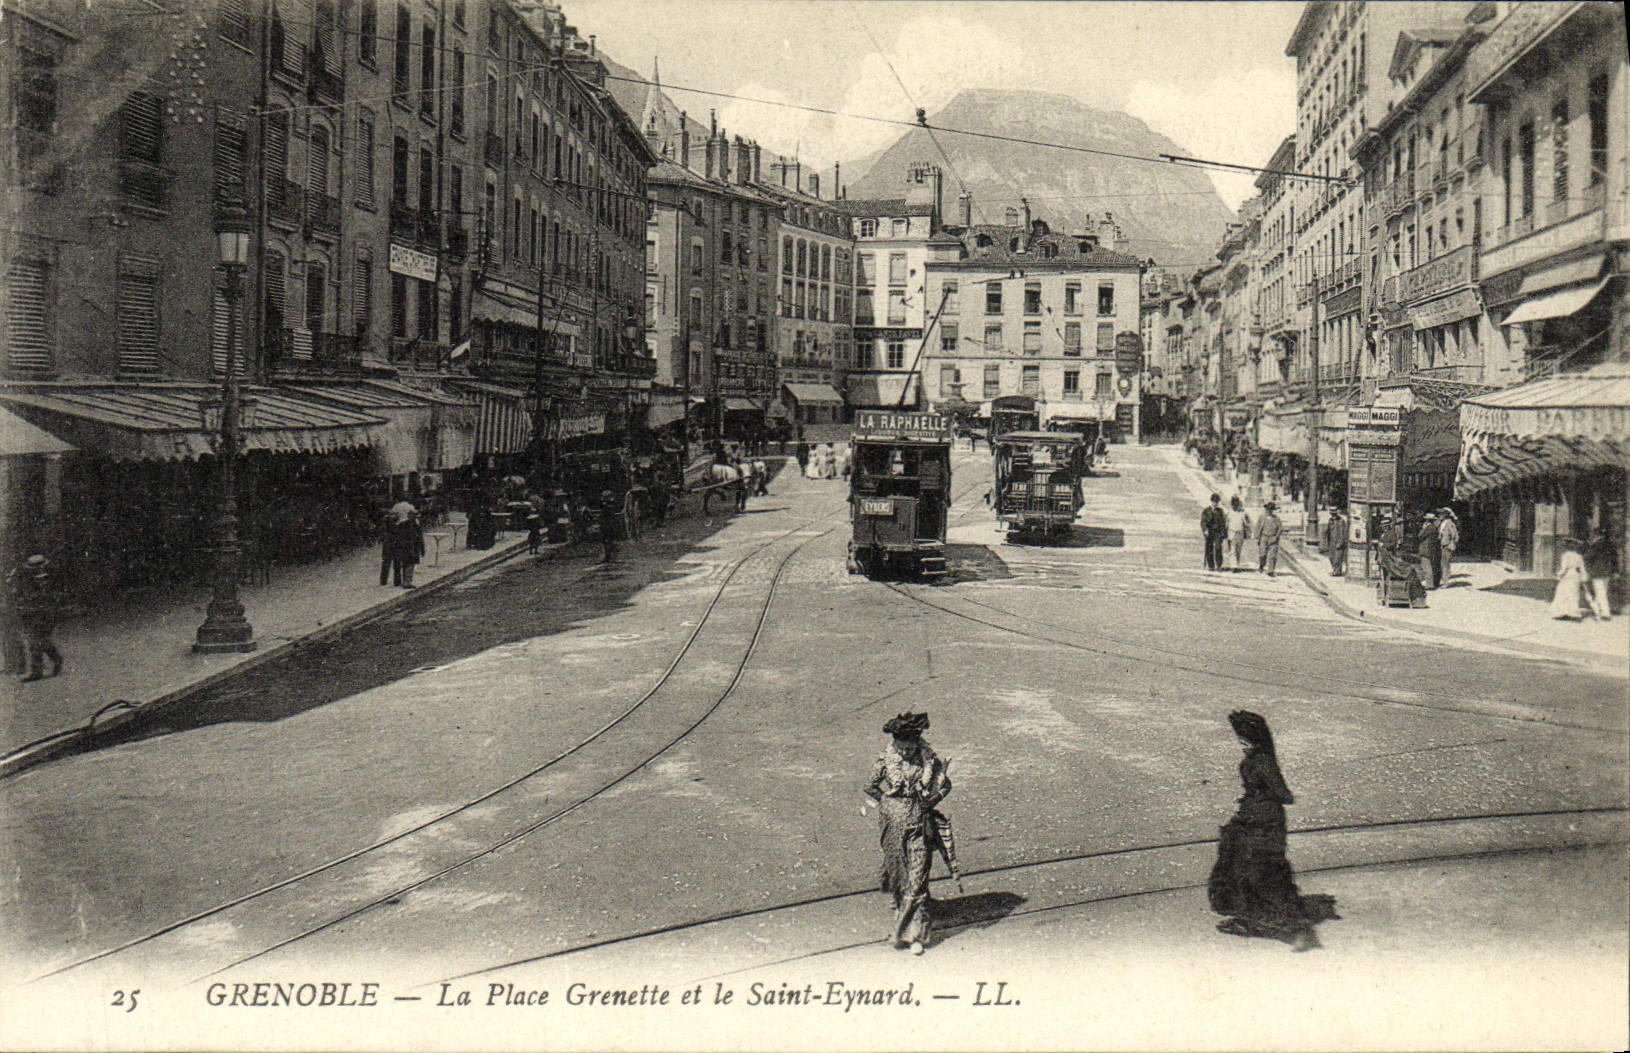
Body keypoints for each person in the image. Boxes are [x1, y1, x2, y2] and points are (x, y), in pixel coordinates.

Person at [1208, 710, 1319, 952]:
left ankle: (1289, 927)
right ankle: (1254, 918)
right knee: (1247, 868)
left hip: (1263, 823)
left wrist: (1258, 797)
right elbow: (1282, 795)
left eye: (1245, 739)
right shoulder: (1261, 759)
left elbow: (1283, 794)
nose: (1241, 744)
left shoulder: (1261, 762)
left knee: (1259, 870)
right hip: (1255, 819)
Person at [864, 711, 951, 956]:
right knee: (899, 876)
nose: (905, 753)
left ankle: (912, 934)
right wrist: (887, 803)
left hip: (920, 825)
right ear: (895, 745)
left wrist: (931, 800)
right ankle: (903, 920)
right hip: (893, 827)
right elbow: (869, 786)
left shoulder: (928, 760)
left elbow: (946, 785)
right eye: (901, 749)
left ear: (917, 743)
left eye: (910, 749)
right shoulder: (885, 761)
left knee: (918, 879)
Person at [10, 554, 64, 682]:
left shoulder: (46, 580)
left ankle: (37, 670)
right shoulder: (33, 580)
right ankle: (55, 659)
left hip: (44, 612)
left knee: (36, 640)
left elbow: (44, 597)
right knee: (40, 640)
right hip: (37, 612)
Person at [1550, 537, 1589, 620]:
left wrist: (1559, 574)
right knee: (1573, 593)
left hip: (1568, 575)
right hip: (1576, 575)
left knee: (1563, 592)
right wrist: (1584, 577)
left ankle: (1562, 612)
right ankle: (1573, 612)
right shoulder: (1579, 556)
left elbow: (1564, 568)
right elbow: (1582, 568)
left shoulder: (1565, 556)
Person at [1584, 525, 1618, 621]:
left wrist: (1587, 568)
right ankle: (1597, 611)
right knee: (1603, 591)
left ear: (1596, 535)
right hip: (1607, 572)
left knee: (1600, 592)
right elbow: (1615, 559)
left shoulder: (1595, 545)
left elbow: (1588, 557)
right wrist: (1615, 571)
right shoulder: (1610, 545)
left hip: (1597, 572)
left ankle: (1605, 612)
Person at [1201, 493, 1227, 572]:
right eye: (1214, 501)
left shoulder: (1220, 511)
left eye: (1216, 502)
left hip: (1217, 532)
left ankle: (1219, 565)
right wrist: (1205, 530)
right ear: (1211, 501)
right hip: (1209, 532)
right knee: (1209, 549)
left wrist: (1223, 533)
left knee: (1218, 548)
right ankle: (1211, 565)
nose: (1215, 503)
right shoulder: (1206, 511)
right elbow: (1203, 522)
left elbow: (1223, 522)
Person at [1256, 501, 1283, 576]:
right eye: (1268, 509)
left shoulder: (1276, 518)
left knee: (1273, 555)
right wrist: (1258, 538)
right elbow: (1258, 527)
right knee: (1262, 553)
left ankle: (1271, 570)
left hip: (1273, 537)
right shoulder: (1262, 517)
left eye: (1271, 510)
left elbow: (1280, 528)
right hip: (1264, 537)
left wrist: (1276, 537)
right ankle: (1262, 565)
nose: (1269, 511)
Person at [1225, 495, 1251, 571]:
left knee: (1238, 550)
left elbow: (1247, 523)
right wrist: (1224, 533)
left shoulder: (1243, 513)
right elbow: (1226, 523)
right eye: (1234, 504)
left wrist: (1248, 531)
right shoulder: (1229, 512)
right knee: (1232, 550)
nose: (1235, 506)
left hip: (1240, 533)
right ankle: (1233, 566)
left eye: (1237, 504)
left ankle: (1237, 564)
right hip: (1232, 532)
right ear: (1232, 505)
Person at [1417, 513, 1442, 588]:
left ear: (1427, 520)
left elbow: (1420, 536)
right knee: (1430, 566)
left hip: (1426, 549)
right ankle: (1432, 583)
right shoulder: (1434, 528)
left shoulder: (1429, 528)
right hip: (1430, 549)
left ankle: (1429, 584)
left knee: (1427, 567)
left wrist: (1423, 528)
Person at [597, 487, 622, 563]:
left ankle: (608, 556)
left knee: (608, 539)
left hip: (609, 523)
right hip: (605, 523)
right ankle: (608, 555)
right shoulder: (605, 505)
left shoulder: (610, 505)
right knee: (605, 539)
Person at [1436, 508, 1460, 585]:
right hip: (1441, 545)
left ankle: (1445, 582)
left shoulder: (1449, 523)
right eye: (1439, 514)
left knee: (1445, 565)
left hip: (1446, 546)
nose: (1439, 516)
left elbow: (1455, 535)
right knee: (1441, 564)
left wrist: (1451, 544)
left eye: (1441, 514)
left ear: (1445, 515)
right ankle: (1442, 580)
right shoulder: (1441, 523)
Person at [1323, 506, 1348, 577]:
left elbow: (1343, 532)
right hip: (1331, 542)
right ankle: (1335, 570)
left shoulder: (1341, 521)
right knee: (1331, 557)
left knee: (1338, 558)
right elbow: (1328, 531)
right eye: (1331, 513)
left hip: (1338, 542)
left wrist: (1340, 542)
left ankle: (1337, 572)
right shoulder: (1330, 520)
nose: (1333, 515)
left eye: (1334, 513)